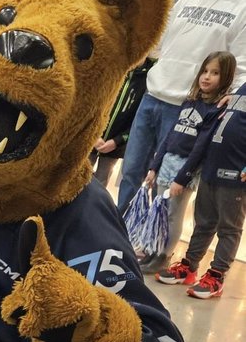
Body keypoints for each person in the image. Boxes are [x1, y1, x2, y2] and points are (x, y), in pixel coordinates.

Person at [116, 0, 246, 215]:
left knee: (168, 185)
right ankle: (117, 235)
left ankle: (152, 250)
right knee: (130, 173)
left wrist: (229, 99)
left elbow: (241, 64)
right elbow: (159, 42)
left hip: (190, 109)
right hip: (153, 97)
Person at [136, 51, 234, 271]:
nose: (207, 77)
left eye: (215, 73)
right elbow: (170, 136)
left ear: (225, 77)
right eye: (205, 71)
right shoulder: (190, 102)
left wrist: (182, 178)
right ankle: (153, 250)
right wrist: (154, 166)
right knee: (159, 210)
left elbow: (200, 148)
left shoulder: (216, 109)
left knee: (173, 214)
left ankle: (164, 256)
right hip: (167, 162)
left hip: (185, 169)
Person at [156, 75, 246, 299]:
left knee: (229, 228)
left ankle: (216, 276)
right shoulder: (241, 88)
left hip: (236, 175)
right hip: (211, 167)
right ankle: (189, 266)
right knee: (204, 222)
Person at [91, 57, 151, 188]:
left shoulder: (149, 79)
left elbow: (140, 120)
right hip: (90, 139)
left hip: (115, 145)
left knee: (100, 184)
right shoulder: (111, 67)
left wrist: (117, 141)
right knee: (75, 178)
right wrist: (93, 134)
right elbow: (90, 103)